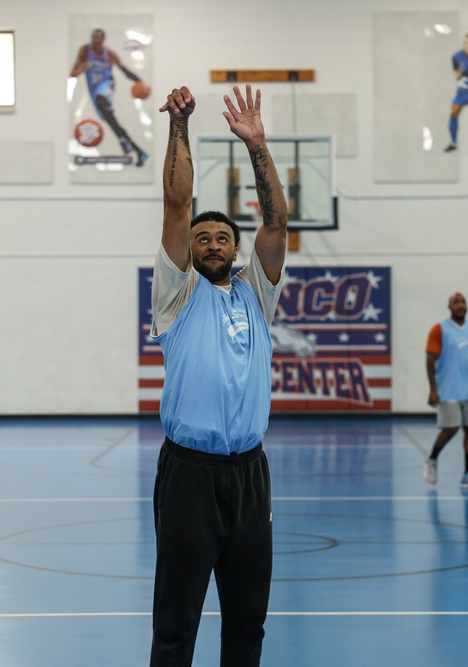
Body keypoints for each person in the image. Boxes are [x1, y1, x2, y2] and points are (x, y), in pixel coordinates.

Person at [148, 84, 287, 667]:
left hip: (250, 475)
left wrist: (257, 145)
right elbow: (177, 206)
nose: (210, 243)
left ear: (236, 249)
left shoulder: (257, 293)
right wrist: (179, 125)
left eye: (222, 238)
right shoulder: (177, 297)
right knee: (177, 623)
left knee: (247, 623)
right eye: (202, 238)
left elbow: (276, 220)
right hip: (190, 476)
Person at [423, 292, 468, 491]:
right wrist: (433, 389)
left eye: (463, 302)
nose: (460, 305)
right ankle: (432, 459)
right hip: (448, 389)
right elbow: (429, 359)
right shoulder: (439, 329)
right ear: (449, 307)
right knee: (451, 428)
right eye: (456, 302)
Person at [70, 28, 149, 166]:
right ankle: (137, 149)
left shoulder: (110, 54)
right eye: (92, 37)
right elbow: (73, 73)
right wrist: (81, 69)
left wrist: (139, 80)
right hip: (93, 89)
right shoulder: (85, 51)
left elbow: (124, 70)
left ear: (102, 40)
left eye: (97, 37)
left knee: (102, 103)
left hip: (107, 85)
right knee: (111, 121)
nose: (94, 40)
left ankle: (128, 143)